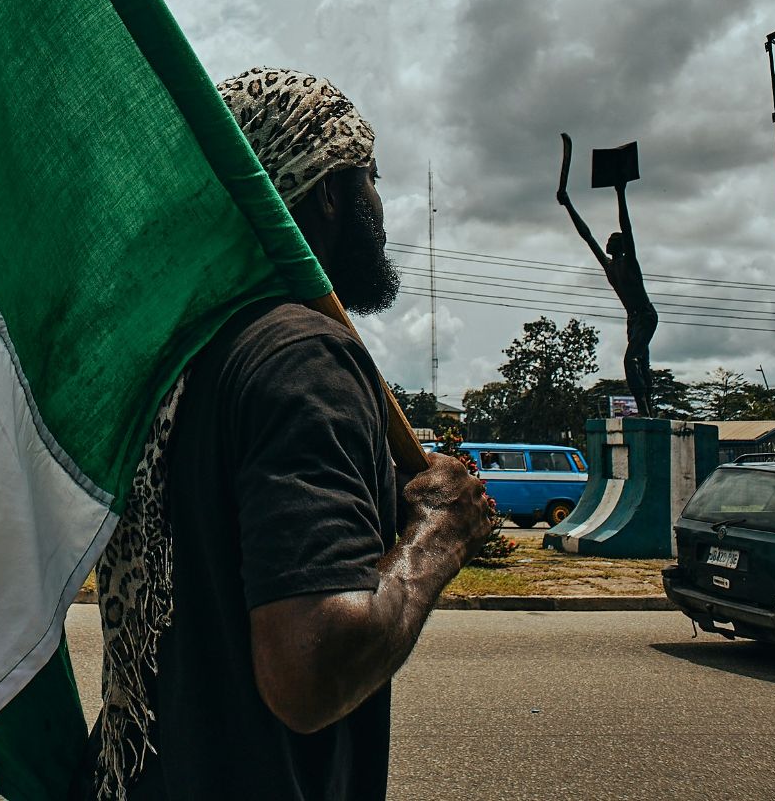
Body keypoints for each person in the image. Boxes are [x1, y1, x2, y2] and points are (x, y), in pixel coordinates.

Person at [86, 67, 495, 801]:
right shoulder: (303, 357)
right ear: (330, 190)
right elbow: (308, 672)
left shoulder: (176, 358)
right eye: (371, 174)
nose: (380, 199)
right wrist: (438, 536)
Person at [556, 136, 660, 416]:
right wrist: (568, 206)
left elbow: (625, 224)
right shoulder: (608, 266)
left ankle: (644, 410)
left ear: (622, 245)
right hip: (633, 319)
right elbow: (586, 234)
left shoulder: (630, 263)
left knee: (631, 361)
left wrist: (620, 192)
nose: (608, 241)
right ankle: (649, 408)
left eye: (614, 239)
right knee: (642, 362)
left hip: (647, 315)